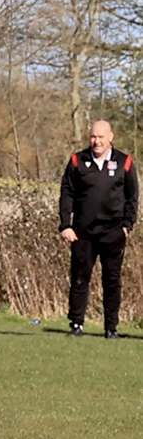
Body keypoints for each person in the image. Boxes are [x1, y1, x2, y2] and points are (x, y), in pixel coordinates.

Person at [58, 120, 134, 339]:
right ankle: (76, 324)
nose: (96, 141)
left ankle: (111, 328)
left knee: (112, 281)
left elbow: (132, 197)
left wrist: (127, 226)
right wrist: (66, 225)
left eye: (101, 137)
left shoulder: (125, 162)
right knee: (79, 278)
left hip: (113, 232)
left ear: (111, 137)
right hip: (83, 233)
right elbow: (67, 193)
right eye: (93, 136)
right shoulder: (77, 161)